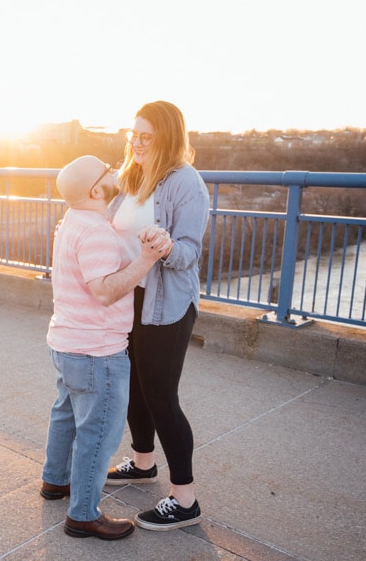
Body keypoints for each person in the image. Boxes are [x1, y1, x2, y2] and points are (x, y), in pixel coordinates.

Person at [41, 155, 171, 540]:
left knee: (65, 415)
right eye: (107, 172)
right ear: (97, 190)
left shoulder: (71, 221)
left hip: (67, 342)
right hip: (96, 350)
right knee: (97, 435)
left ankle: (56, 481)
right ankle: (82, 514)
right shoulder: (96, 231)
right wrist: (147, 258)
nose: (115, 174)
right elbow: (103, 291)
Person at [105, 101, 210, 531]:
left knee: (162, 397)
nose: (137, 142)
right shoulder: (130, 175)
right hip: (129, 298)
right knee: (133, 387)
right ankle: (144, 463)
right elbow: (108, 225)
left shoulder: (187, 182)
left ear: (168, 136)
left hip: (166, 304)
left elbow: (189, 252)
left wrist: (166, 246)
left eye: (146, 136)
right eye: (133, 134)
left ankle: (185, 500)